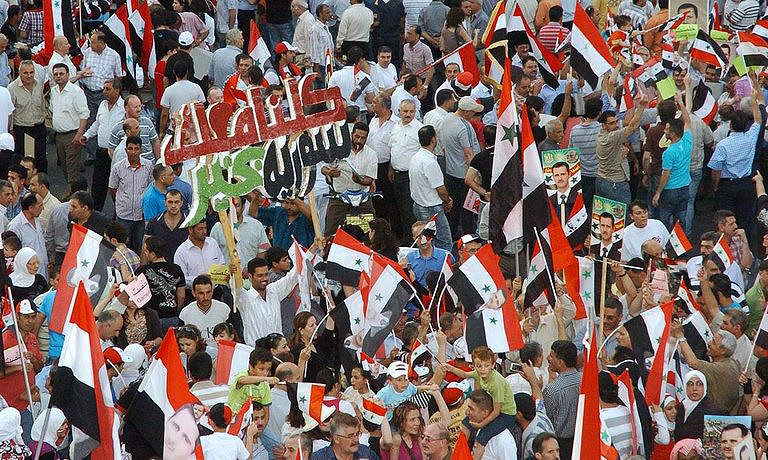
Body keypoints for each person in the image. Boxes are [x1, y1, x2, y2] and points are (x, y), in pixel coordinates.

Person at [708, 80, 763, 235]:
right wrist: (754, 102)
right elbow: (758, 120)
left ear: (731, 125)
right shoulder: (751, 138)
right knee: (745, 222)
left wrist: (715, 186)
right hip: (746, 185)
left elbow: (715, 170)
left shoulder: (723, 145)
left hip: (727, 187)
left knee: (725, 223)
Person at [322, 122, 378, 235]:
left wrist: (359, 180)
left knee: (370, 231)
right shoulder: (338, 150)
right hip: (339, 197)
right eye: (357, 136)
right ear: (351, 135)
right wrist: (330, 172)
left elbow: (370, 180)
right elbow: (323, 168)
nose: (359, 140)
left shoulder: (371, 154)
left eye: (363, 138)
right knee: (331, 233)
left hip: (362, 198)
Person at [438, 96, 482, 237]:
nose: (474, 115)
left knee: (454, 208)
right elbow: (469, 154)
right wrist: (475, 175)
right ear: (467, 112)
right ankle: (469, 238)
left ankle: (452, 235)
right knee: (468, 209)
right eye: (473, 112)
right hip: (465, 174)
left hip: (451, 172)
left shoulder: (446, 120)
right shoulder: (464, 127)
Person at [595, 94, 647, 212]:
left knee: (605, 217)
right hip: (616, 184)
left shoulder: (601, 134)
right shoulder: (612, 137)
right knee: (623, 218)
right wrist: (641, 107)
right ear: (603, 125)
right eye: (611, 123)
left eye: (616, 122)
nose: (615, 125)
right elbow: (632, 125)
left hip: (602, 181)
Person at [235, 256, 299, 346]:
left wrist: (313, 248)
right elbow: (236, 289)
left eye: (266, 274)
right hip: (258, 354)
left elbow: (293, 276)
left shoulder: (274, 291)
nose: (264, 279)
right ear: (250, 276)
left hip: (279, 351)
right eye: (260, 275)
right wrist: (233, 273)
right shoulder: (245, 299)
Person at [652, 90, 692, 231]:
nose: (664, 131)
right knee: (681, 220)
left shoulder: (669, 152)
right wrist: (680, 102)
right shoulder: (687, 140)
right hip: (685, 188)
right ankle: (682, 244)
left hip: (670, 191)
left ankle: (667, 244)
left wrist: (658, 192)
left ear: (673, 133)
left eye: (667, 130)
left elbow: (666, 174)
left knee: (664, 219)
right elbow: (687, 120)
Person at [409, 126, 453, 251]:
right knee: (444, 242)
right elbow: (441, 190)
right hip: (432, 209)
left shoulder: (415, 158)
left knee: (428, 243)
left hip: (419, 205)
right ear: (433, 139)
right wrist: (448, 201)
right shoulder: (430, 162)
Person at [50, 63, 89, 197]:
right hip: (58, 136)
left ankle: (70, 198)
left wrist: (79, 135)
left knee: (72, 169)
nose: (58, 76)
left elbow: (85, 114)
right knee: (65, 167)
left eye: (61, 73)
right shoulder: (54, 91)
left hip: (72, 135)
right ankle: (78, 192)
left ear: (68, 75)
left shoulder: (76, 92)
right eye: (56, 74)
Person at [109, 136, 153, 253]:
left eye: (136, 149)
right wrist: (121, 204)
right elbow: (112, 189)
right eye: (130, 149)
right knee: (122, 248)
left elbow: (150, 187)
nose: (133, 152)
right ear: (126, 150)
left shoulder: (148, 166)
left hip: (141, 216)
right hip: (124, 215)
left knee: (141, 248)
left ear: (141, 150)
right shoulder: (118, 168)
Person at [389, 99, 423, 238]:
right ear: (399, 111)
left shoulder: (420, 129)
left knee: (409, 211)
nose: (408, 114)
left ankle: (411, 240)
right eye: (405, 111)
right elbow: (393, 149)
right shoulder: (395, 126)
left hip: (411, 176)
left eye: (411, 111)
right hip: (396, 174)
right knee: (397, 209)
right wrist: (390, 169)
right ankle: (401, 239)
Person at [8, 60, 46, 173]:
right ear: (19, 73)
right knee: (22, 161)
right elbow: (10, 112)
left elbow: (42, 103)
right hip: (22, 129)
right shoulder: (12, 88)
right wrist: (10, 131)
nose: (29, 76)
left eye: (31, 72)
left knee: (41, 160)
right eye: (25, 73)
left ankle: (42, 185)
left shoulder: (39, 84)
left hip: (39, 126)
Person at [174, 220, 226, 289]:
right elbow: (181, 279)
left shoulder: (212, 243)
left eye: (205, 228)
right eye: (200, 229)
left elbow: (221, 264)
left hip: (215, 291)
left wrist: (224, 274)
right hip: (193, 294)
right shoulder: (181, 252)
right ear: (190, 230)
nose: (204, 232)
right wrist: (199, 279)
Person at [179, 275, 231, 342]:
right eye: (201, 293)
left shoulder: (224, 309)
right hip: (197, 352)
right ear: (194, 293)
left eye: (208, 292)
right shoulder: (185, 313)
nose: (206, 297)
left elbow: (232, 336)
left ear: (212, 291)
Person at [8, 193, 47, 279]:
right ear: (30, 208)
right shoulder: (15, 226)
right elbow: (12, 254)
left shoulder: (37, 220)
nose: (43, 208)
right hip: (28, 278)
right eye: (40, 206)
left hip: (43, 273)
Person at [228, 347, 278, 413]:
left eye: (268, 369)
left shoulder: (265, 385)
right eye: (261, 369)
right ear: (250, 366)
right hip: (234, 420)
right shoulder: (242, 375)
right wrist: (266, 379)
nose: (265, 373)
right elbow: (242, 380)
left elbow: (266, 411)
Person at [674, 370, 721, 440]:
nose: (694, 388)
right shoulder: (679, 407)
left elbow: (712, 443)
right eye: (690, 384)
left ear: (705, 387)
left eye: (699, 384)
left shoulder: (713, 411)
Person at [314, 412, 381, 460]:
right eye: (350, 436)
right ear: (336, 439)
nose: (356, 440)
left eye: (357, 434)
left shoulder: (366, 453)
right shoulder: (319, 458)